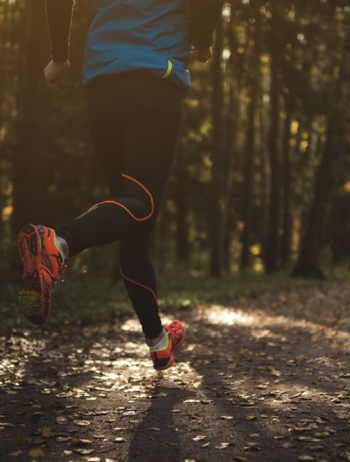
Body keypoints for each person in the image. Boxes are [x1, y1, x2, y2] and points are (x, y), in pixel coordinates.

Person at [17, 0, 223, 370]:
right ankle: (58, 243)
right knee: (141, 206)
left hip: (103, 86)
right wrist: (205, 39)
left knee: (133, 221)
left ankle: (159, 343)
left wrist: (60, 56)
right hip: (154, 82)